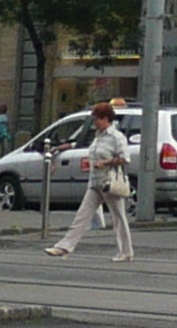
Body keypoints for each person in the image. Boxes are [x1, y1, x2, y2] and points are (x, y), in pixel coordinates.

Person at [47, 102, 136, 260]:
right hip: (95, 182)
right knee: (82, 215)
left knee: (118, 218)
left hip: (110, 183)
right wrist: (64, 147)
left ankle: (126, 252)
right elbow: (84, 146)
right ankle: (64, 247)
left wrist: (105, 162)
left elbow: (125, 159)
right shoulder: (98, 136)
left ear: (106, 119)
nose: (95, 122)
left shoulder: (116, 137)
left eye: (97, 119)